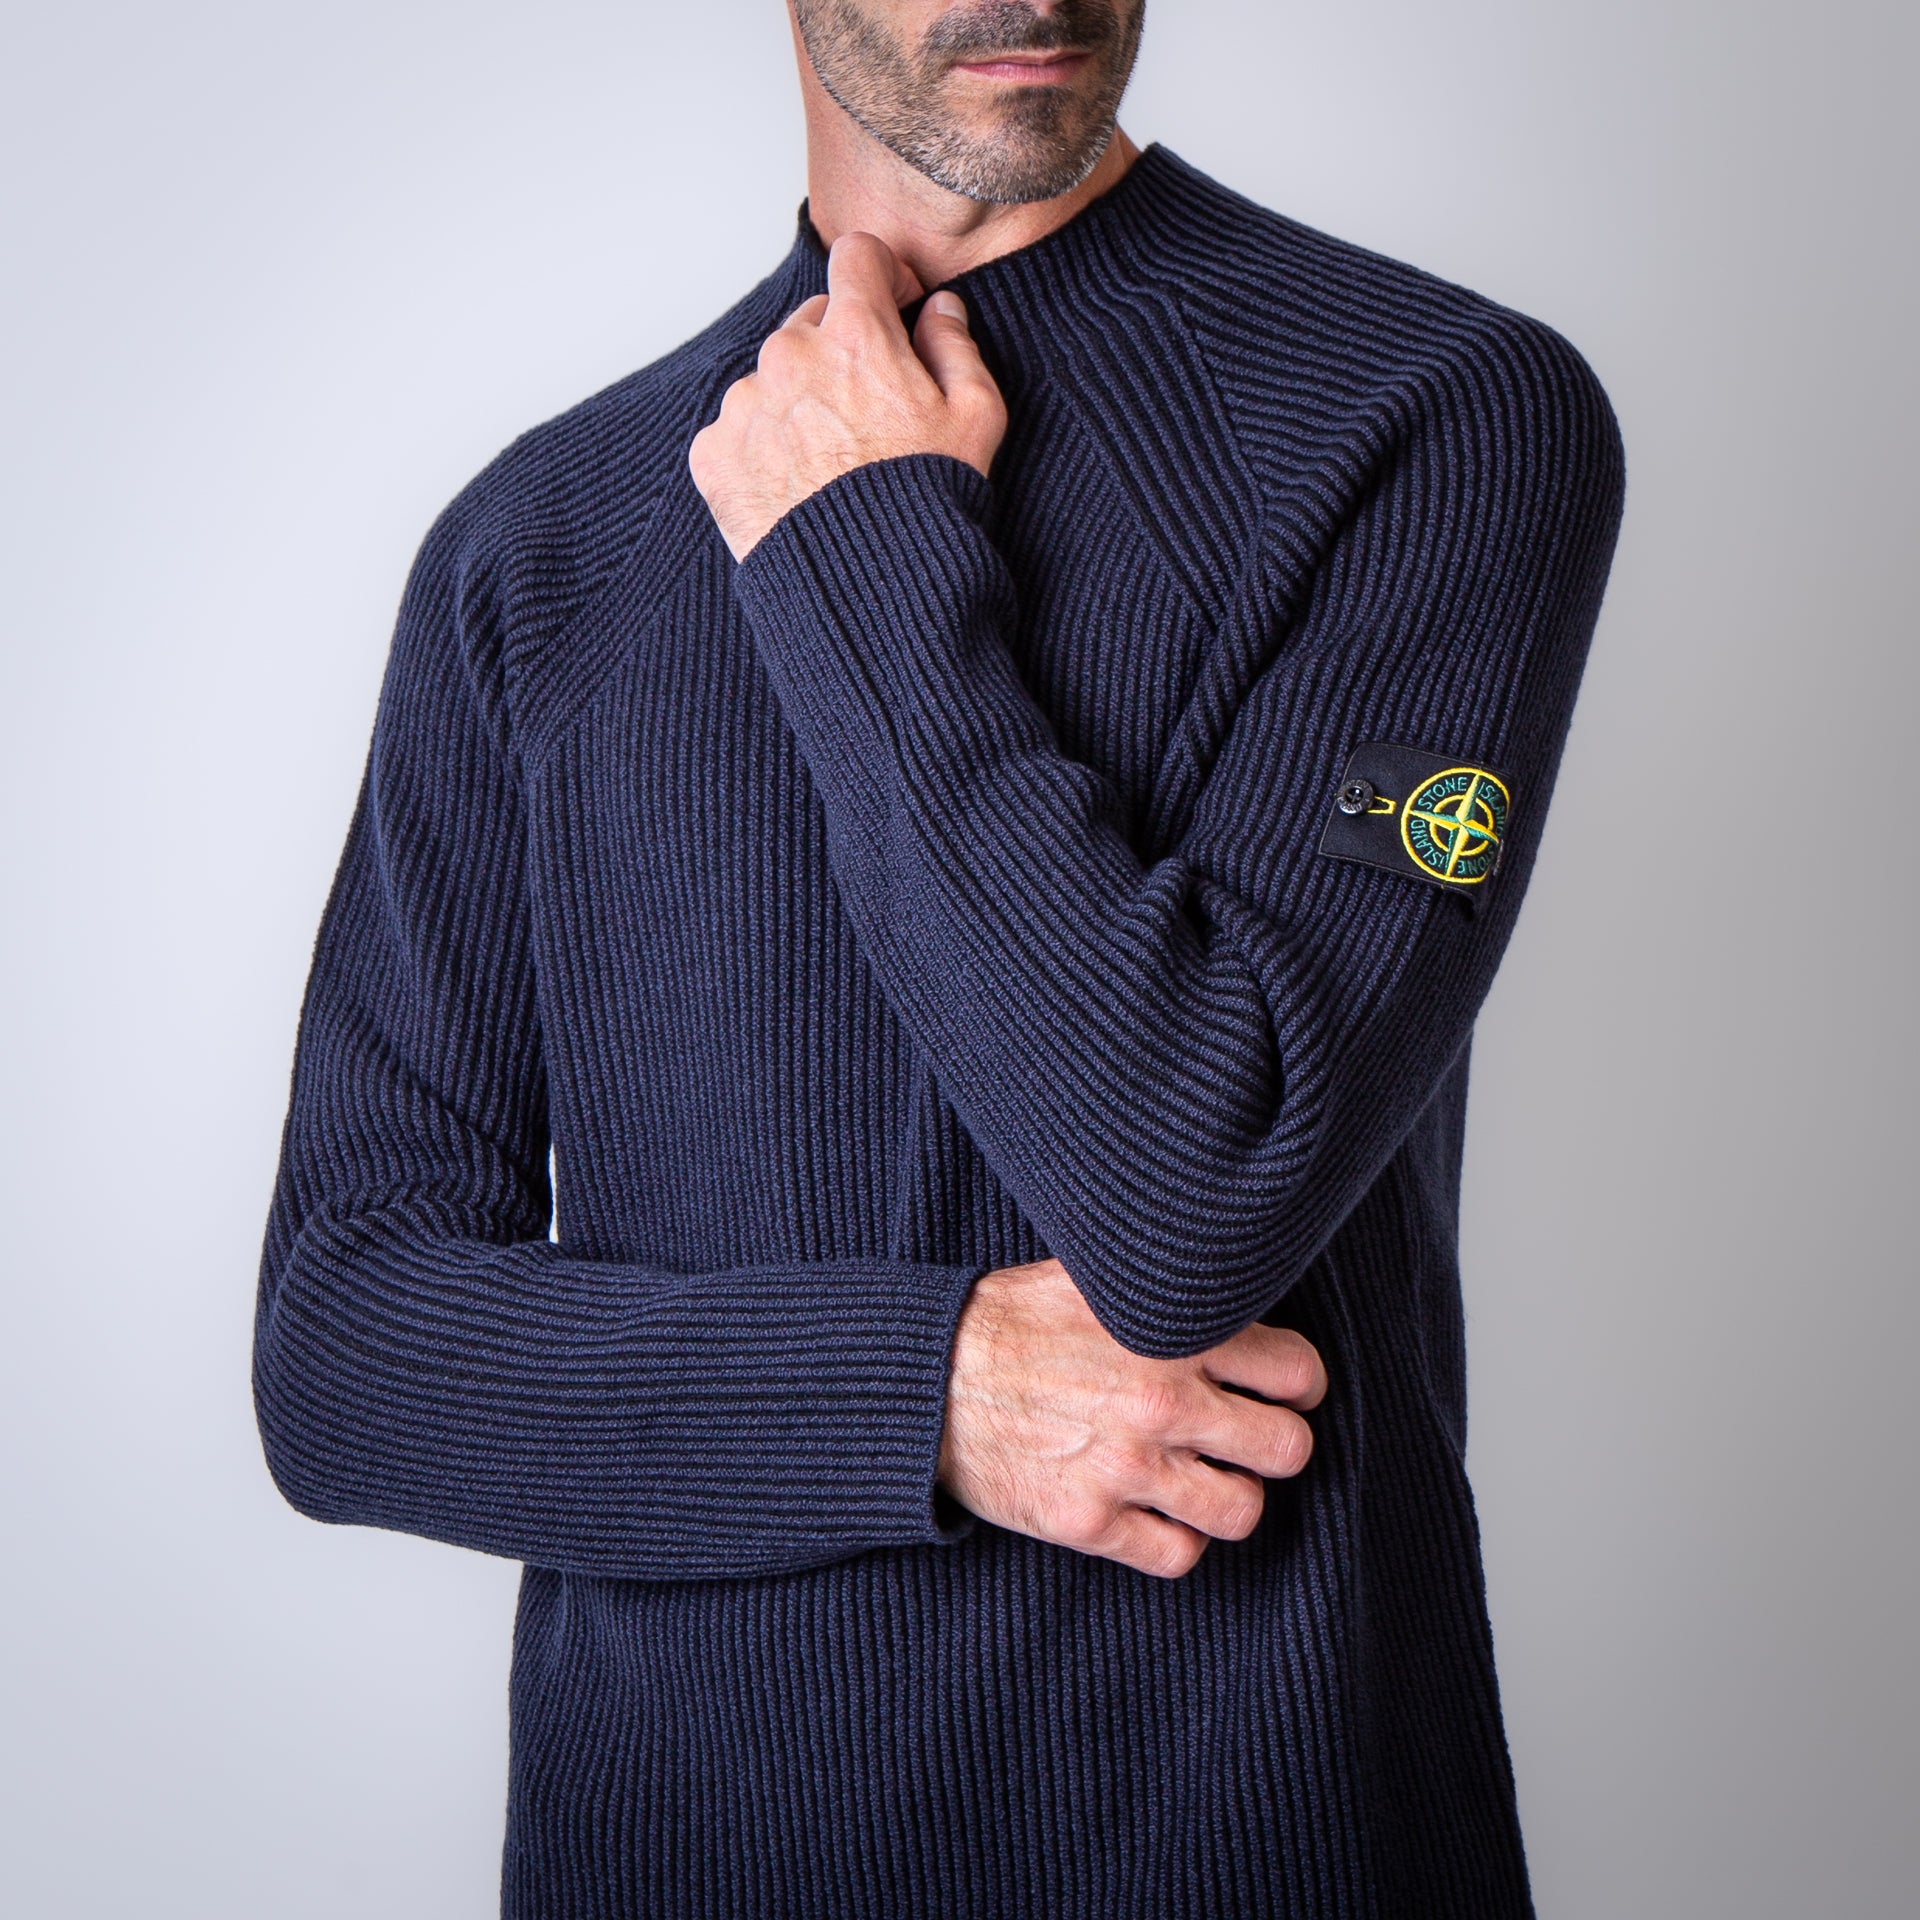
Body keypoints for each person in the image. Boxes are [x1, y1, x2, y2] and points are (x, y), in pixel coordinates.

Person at [253, 2, 1625, 1913]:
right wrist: (926, 1397)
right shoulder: (537, 549)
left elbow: (1192, 1193)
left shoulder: (1436, 416)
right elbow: (346, 1349)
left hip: (1260, 1850)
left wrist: (861, 550)